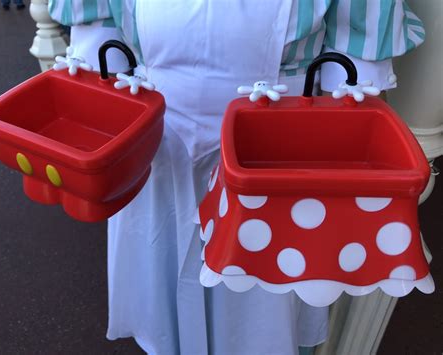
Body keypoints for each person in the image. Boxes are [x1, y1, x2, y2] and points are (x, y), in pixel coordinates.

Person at [48, 1, 425, 354]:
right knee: (160, 263)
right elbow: (98, 30)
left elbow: (353, 63)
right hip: (152, 128)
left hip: (280, 139)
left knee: (263, 296)